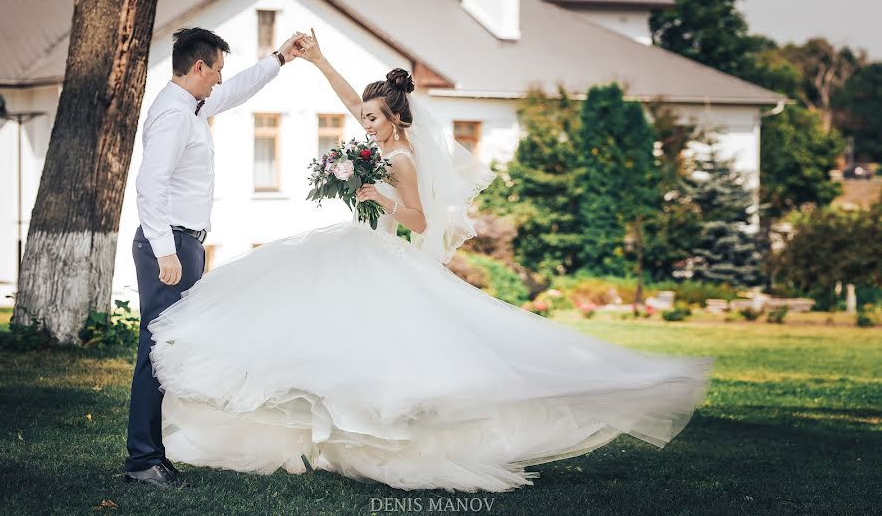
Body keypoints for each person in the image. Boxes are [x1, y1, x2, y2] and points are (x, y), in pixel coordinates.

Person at [145, 30, 713, 493]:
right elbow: (351, 101)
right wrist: (317, 61)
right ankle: (331, 438)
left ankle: (386, 439)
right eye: (363, 118)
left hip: (382, 254)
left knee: (386, 351)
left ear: (394, 121)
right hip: (352, 248)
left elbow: (416, 220)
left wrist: (376, 197)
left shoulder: (403, 159)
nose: (361, 122)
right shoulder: (374, 140)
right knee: (327, 343)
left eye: (371, 118)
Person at [124, 27, 306, 487]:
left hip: (186, 243)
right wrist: (166, 251)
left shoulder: (192, 106)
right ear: (199, 67)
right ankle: (143, 459)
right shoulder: (173, 115)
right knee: (157, 351)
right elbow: (150, 185)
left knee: (169, 350)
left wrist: (280, 59)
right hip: (169, 245)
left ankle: (152, 454)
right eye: (217, 70)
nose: (221, 80)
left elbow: (238, 90)